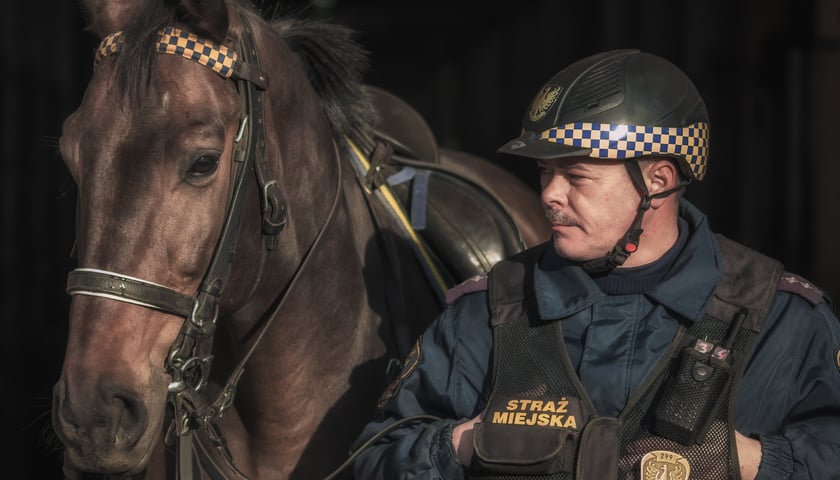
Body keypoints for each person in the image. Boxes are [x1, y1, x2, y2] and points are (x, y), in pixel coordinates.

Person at [351, 49, 840, 480]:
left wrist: (756, 463)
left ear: (658, 181)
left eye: (575, 176)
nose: (549, 195)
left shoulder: (778, 319)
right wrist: (458, 445)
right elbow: (377, 456)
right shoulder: (489, 311)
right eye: (545, 171)